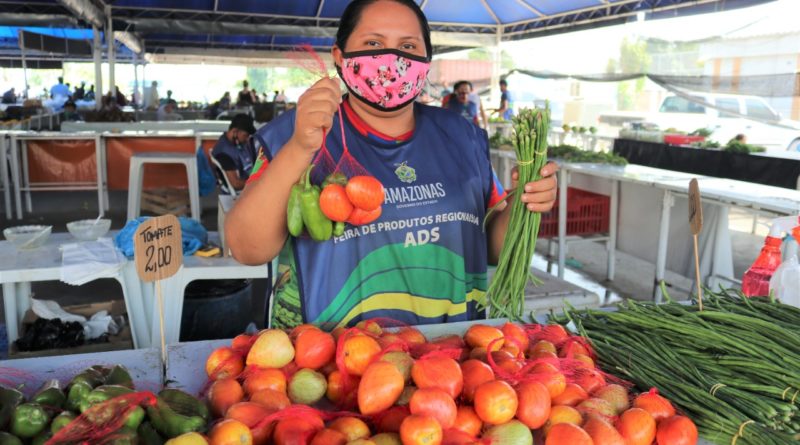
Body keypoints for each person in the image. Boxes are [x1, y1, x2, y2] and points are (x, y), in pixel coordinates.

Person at [226, 0, 557, 329]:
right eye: (373, 43)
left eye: (408, 46)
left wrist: (524, 203)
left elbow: (491, 250)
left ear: (426, 60)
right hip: (335, 365)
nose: (392, 59)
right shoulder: (295, 134)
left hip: (453, 359)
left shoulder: (463, 137)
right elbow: (247, 248)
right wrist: (301, 147)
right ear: (339, 57)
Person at [211, 114, 258, 191]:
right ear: (235, 131)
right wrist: (258, 183)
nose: (246, 139)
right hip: (246, 189)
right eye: (245, 135)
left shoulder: (233, 142)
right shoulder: (224, 154)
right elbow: (236, 184)